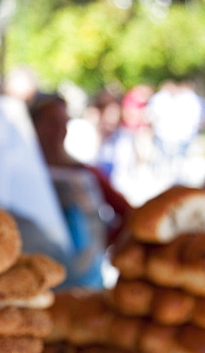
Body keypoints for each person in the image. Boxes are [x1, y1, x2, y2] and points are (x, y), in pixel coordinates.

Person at [29, 93, 131, 288]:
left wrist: (103, 242)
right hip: (34, 280)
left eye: (64, 123)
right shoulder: (18, 173)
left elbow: (129, 214)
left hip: (85, 281)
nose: (59, 130)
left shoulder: (87, 173)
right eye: (51, 123)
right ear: (33, 125)